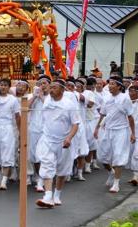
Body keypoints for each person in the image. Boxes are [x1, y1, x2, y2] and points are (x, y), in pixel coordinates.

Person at [35, 79, 79, 208]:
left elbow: (76, 124)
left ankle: (57, 195)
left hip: (63, 141)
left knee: (62, 170)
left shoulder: (69, 105)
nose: (51, 89)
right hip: (47, 139)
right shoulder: (47, 100)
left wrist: (69, 138)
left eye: (54, 87)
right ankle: (47, 196)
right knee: (47, 165)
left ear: (62, 90)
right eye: (50, 87)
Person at [94, 76, 136, 193]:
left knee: (118, 156)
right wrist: (97, 128)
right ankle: (110, 173)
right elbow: (103, 114)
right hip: (107, 130)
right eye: (109, 84)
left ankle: (116, 183)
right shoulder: (106, 98)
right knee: (102, 156)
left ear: (119, 86)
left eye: (113, 84)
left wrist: (133, 133)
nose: (110, 86)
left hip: (121, 131)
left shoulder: (125, 99)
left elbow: (130, 117)